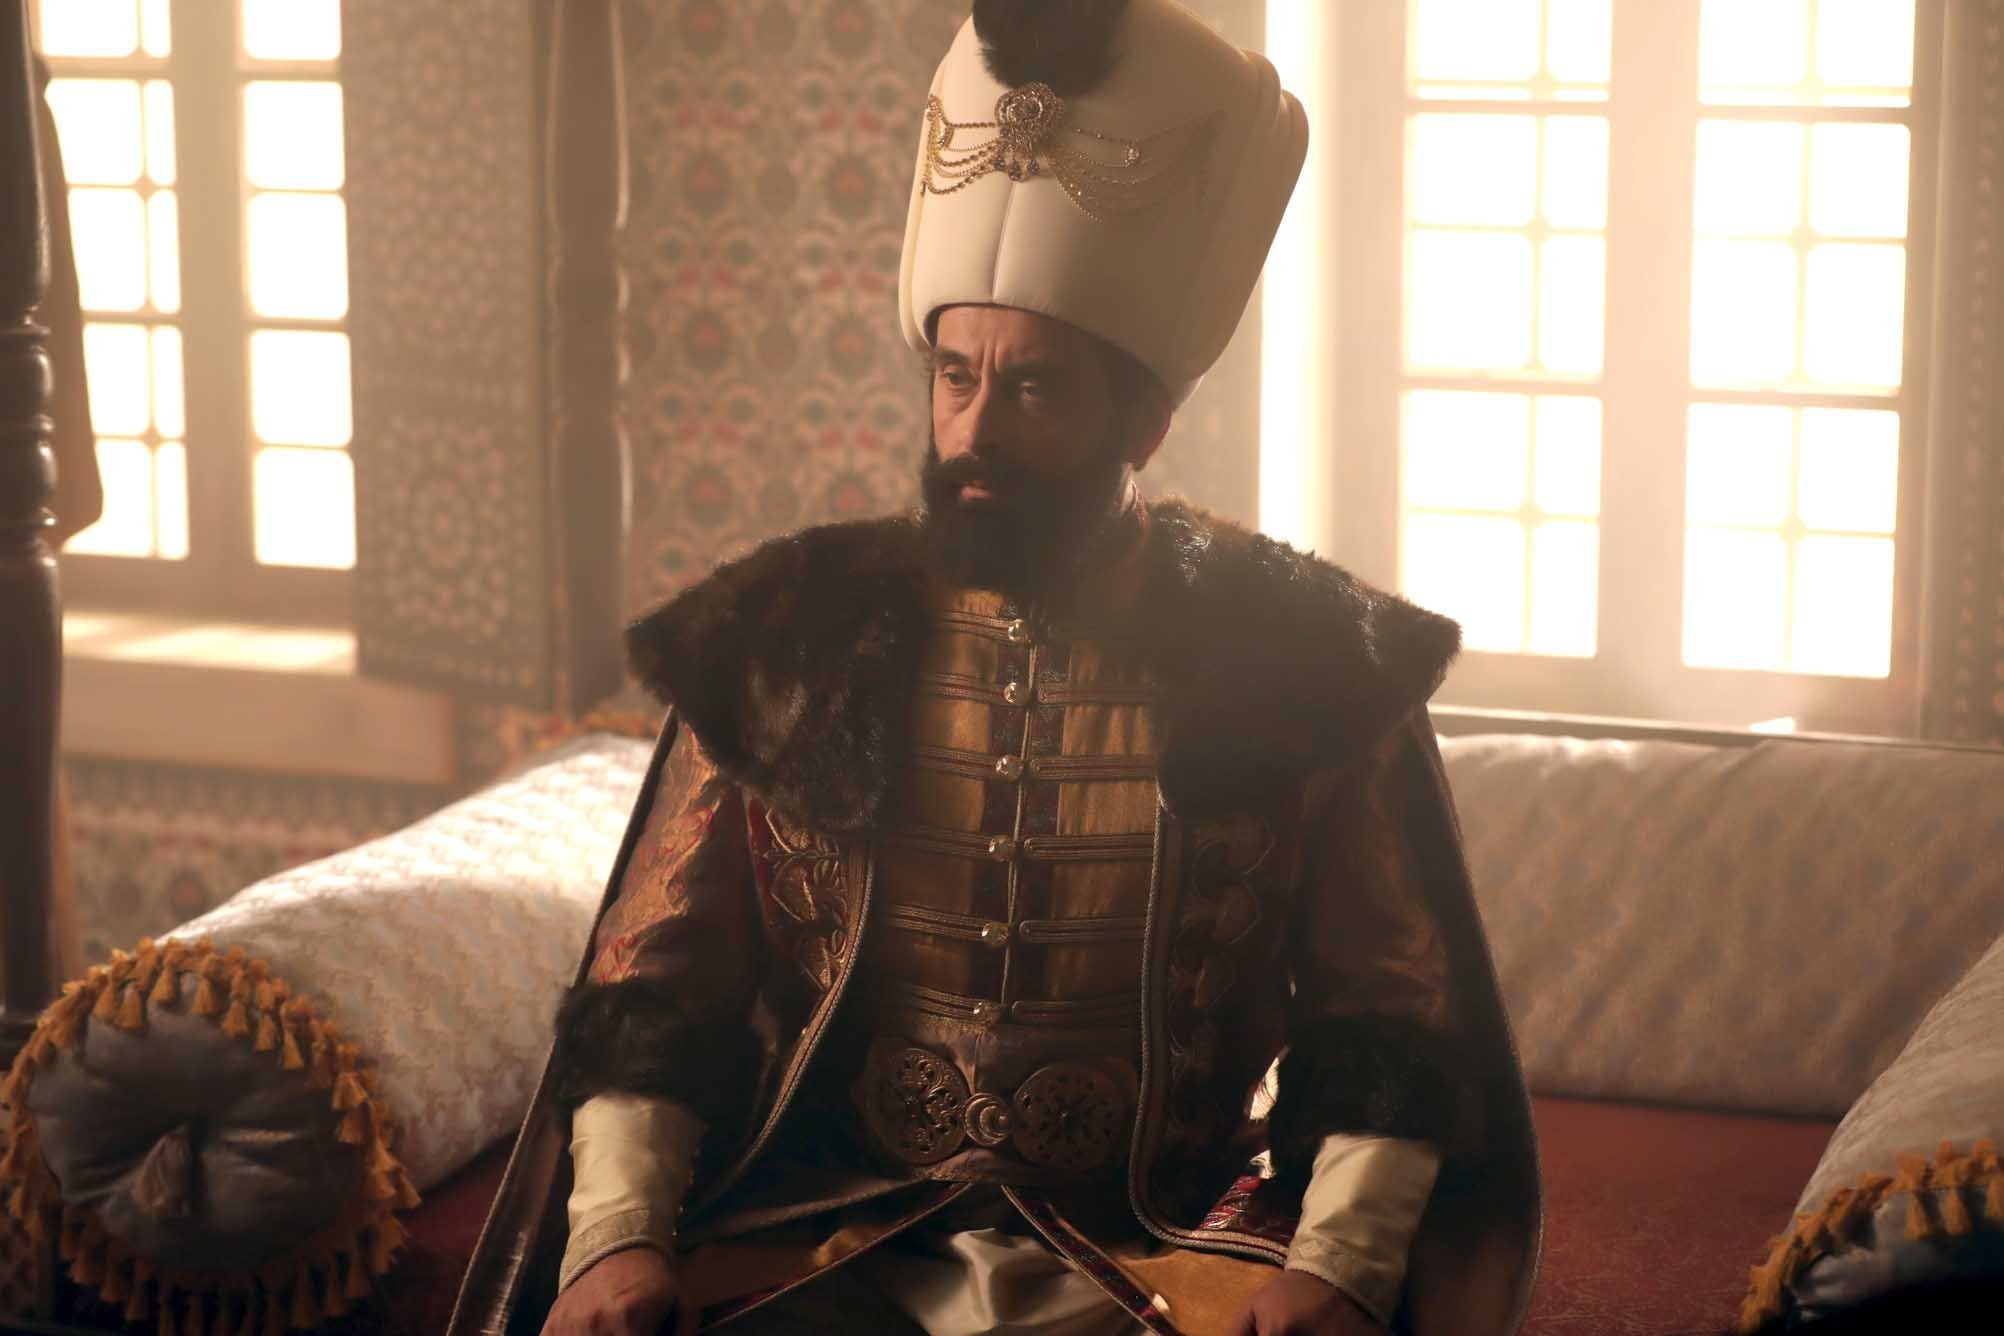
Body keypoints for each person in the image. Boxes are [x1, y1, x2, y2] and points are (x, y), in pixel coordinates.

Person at [450, 3, 1538, 1333]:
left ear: (1146, 418)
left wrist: (1340, 1269)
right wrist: (615, 1239)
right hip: (825, 1223)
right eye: (955, 376)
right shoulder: (788, 634)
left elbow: (1392, 1017)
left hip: (1162, 1242)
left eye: (1032, 390)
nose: (974, 430)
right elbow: (652, 992)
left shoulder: (1300, 654)